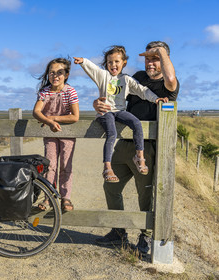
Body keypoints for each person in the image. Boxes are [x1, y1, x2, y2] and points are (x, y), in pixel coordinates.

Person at [92, 41, 179, 257]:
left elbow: (169, 78)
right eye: (148, 57)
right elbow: (115, 97)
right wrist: (98, 103)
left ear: (165, 59)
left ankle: (145, 236)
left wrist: (160, 52)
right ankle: (118, 231)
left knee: (145, 196)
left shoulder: (170, 84)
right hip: (124, 144)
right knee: (111, 187)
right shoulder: (137, 77)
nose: (150, 62)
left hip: (147, 149)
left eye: (156, 57)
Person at [73, 46, 168, 184]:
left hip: (120, 111)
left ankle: (139, 158)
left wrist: (156, 99)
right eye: (110, 62)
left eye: (117, 61)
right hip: (105, 112)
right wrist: (83, 61)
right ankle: (107, 167)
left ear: (124, 63)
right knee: (112, 133)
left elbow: (143, 91)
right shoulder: (103, 76)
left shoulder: (127, 79)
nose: (113, 65)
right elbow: (93, 69)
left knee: (136, 123)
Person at [33, 58, 79, 212]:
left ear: (66, 75)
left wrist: (53, 118)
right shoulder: (45, 92)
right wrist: (49, 122)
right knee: (50, 165)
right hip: (50, 133)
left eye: (60, 72)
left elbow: (75, 116)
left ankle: (65, 197)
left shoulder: (70, 91)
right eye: (52, 73)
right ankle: (49, 196)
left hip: (67, 133)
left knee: (66, 165)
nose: (55, 76)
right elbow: (36, 111)